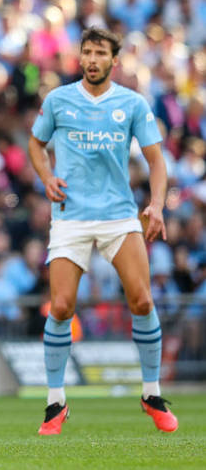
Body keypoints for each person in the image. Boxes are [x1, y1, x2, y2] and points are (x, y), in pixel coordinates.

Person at [28, 27, 178, 435]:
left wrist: (157, 205)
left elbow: (157, 161)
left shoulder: (131, 104)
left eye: (100, 53)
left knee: (143, 301)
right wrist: (45, 177)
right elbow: (35, 144)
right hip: (71, 216)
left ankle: (151, 393)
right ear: (80, 57)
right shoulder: (59, 99)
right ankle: (55, 402)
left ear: (114, 60)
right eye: (87, 52)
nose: (92, 59)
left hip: (118, 215)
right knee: (60, 307)